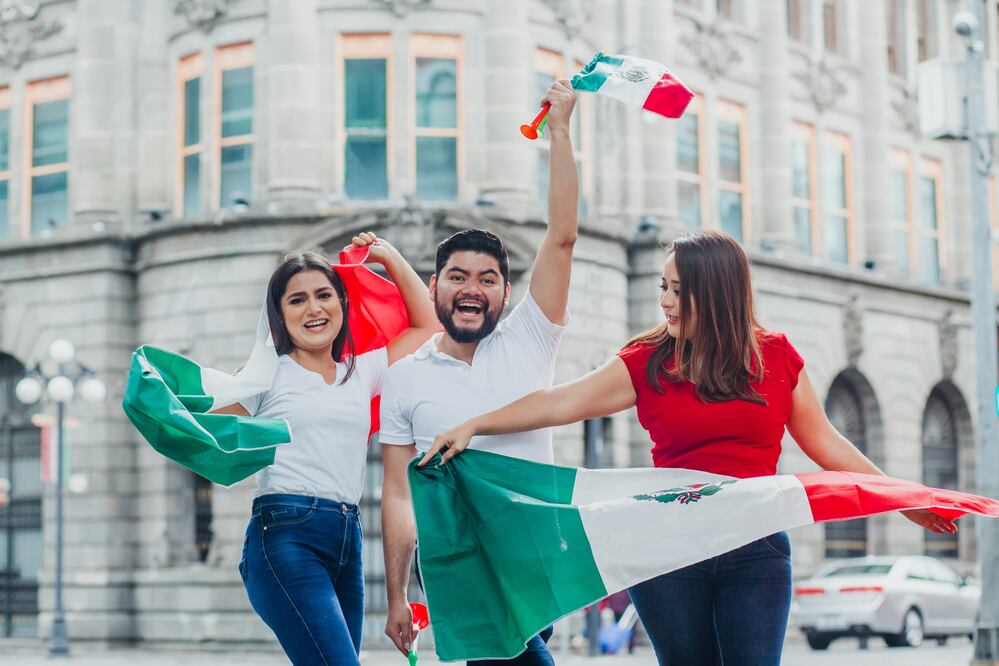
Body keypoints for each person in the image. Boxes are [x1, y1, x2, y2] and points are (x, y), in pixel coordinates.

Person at [425, 230, 956, 666]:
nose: (666, 301)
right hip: (668, 547)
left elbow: (825, 443)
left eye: (679, 290)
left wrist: (903, 497)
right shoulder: (647, 360)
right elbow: (563, 402)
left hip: (756, 549)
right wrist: (477, 425)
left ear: (718, 290)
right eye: (663, 287)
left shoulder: (775, 357)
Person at [379, 79, 579, 666]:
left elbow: (562, 237)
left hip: (534, 558)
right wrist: (397, 597)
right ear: (434, 285)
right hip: (461, 564)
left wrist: (561, 129)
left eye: (487, 279)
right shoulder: (405, 376)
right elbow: (397, 493)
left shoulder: (529, 337)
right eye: (458, 277)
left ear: (506, 291)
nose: (472, 289)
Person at [212, 233, 438, 666]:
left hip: (347, 539)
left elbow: (428, 328)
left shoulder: (362, 370)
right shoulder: (266, 372)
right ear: (279, 315)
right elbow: (208, 432)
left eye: (323, 295)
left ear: (342, 304)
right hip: (284, 535)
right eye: (296, 300)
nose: (313, 309)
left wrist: (388, 257)